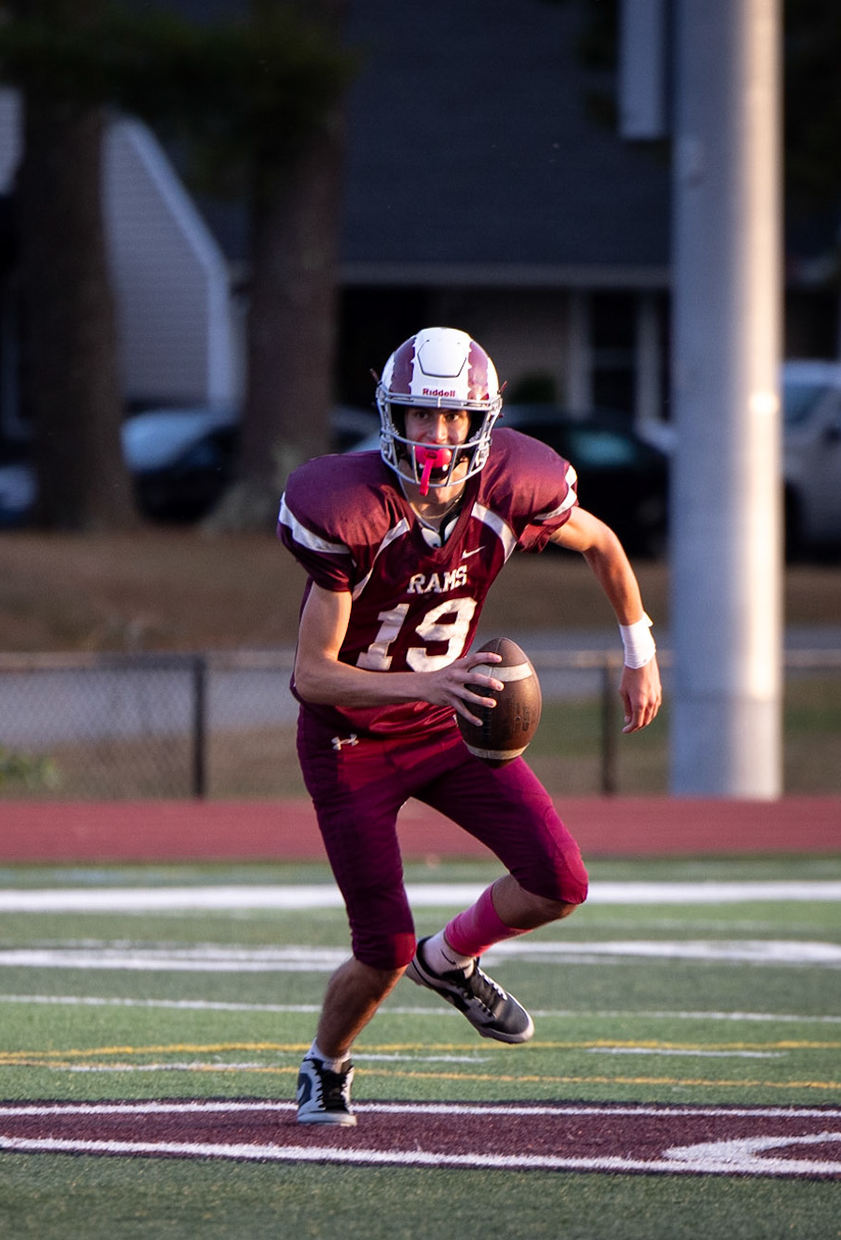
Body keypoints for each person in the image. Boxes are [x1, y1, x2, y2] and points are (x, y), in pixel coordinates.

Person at [276, 326, 661, 1126]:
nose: (437, 435)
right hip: (352, 739)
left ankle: (449, 962)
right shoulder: (348, 507)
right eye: (420, 416)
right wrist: (432, 682)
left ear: (481, 421)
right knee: (380, 947)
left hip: (448, 722)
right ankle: (326, 1064)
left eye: (452, 419)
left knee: (561, 882)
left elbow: (603, 543)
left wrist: (638, 647)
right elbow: (310, 674)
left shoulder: (516, 484)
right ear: (392, 416)